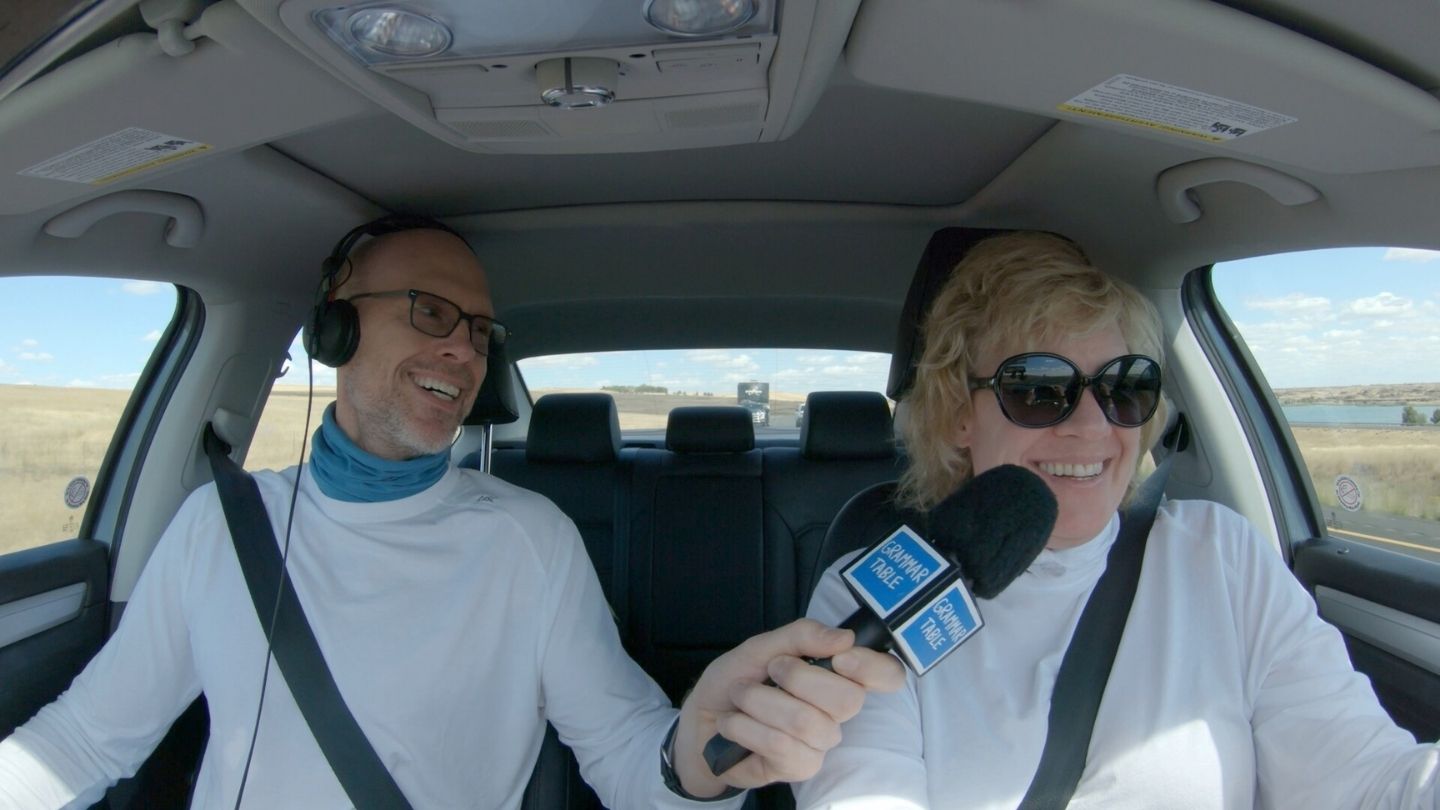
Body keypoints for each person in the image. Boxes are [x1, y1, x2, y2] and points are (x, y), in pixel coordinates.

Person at [0, 219, 904, 808]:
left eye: (478, 332)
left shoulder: (528, 539)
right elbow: (83, 741)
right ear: (336, 328)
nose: (463, 351)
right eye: (430, 312)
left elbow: (627, 753)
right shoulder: (219, 526)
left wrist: (699, 750)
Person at [793, 232, 1439, 809]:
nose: (1093, 425)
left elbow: (1368, 782)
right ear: (961, 413)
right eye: (1037, 389)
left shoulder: (1221, 556)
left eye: (1123, 386)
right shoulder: (874, 594)